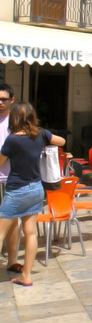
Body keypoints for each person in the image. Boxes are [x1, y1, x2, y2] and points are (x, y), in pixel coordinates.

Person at [0, 102, 66, 286]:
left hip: (16, 190)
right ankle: (26, 276)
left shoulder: (12, 140)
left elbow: (0, 161)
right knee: (30, 234)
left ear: (14, 118)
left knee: (0, 234)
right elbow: (61, 141)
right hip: (36, 188)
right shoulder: (41, 134)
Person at [0, 83, 21, 273]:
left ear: (11, 101)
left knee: (12, 220)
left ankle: (12, 260)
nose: (0, 102)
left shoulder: (16, 121)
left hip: (11, 178)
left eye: (3, 99)